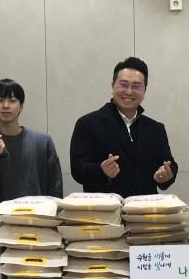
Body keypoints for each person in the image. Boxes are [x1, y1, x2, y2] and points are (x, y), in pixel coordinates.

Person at [70, 56, 178, 197]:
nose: (129, 92)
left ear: (144, 91)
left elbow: (169, 164)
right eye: (124, 85)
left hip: (145, 207)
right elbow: (77, 169)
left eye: (136, 86)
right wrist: (102, 171)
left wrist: (166, 175)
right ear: (112, 86)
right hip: (105, 207)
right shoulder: (87, 124)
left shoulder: (155, 129)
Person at [0, 79, 63, 215]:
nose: (6, 105)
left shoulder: (43, 141)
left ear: (21, 106)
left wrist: (55, 216)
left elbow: (55, 186)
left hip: (36, 218)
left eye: (12, 100)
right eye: (0, 100)